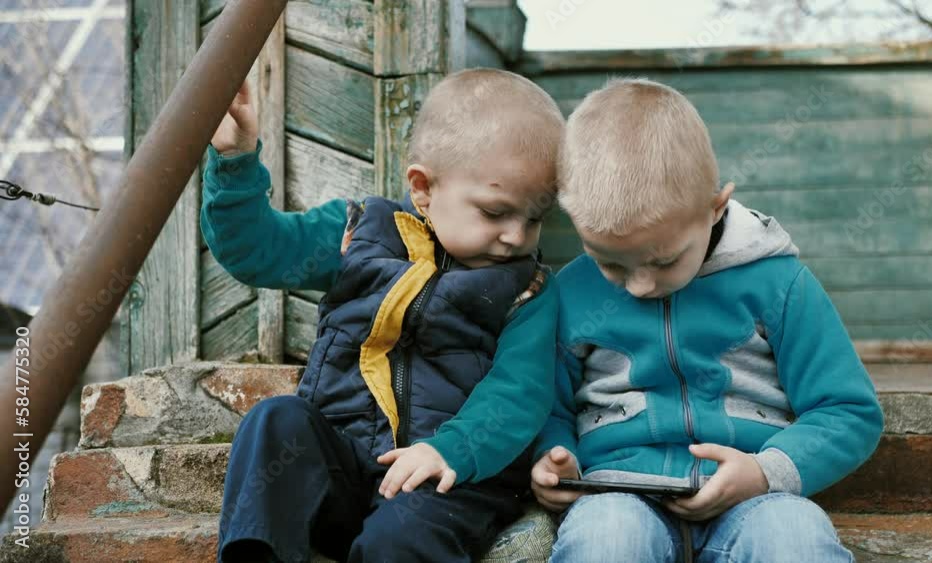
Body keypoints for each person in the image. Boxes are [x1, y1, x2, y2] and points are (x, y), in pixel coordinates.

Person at [204, 68, 565, 563]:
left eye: (535, 218)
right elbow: (255, 249)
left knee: (399, 539)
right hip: (348, 463)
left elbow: (520, 392)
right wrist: (235, 160)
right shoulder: (358, 234)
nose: (516, 236)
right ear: (423, 188)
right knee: (275, 419)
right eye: (495, 212)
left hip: (448, 483)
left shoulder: (528, 289)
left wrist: (450, 451)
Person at [530, 78, 884, 562]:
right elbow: (545, 408)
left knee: (796, 536)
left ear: (715, 207)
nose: (639, 286)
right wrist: (552, 460)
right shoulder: (571, 293)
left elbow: (848, 410)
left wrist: (765, 472)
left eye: (663, 260)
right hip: (617, 495)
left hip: (756, 500)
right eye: (610, 263)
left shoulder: (778, 283)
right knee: (605, 539)